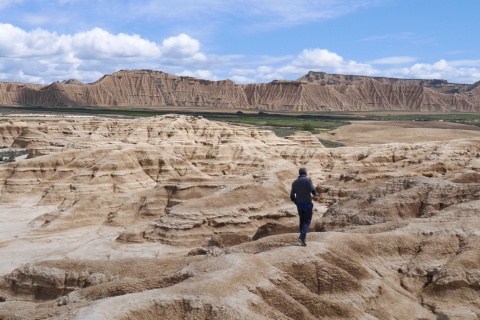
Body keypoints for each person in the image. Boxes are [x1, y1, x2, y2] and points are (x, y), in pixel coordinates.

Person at [290, 167, 318, 246]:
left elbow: (292, 196)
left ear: (299, 174)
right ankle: (302, 237)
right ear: (306, 173)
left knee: (301, 220)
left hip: (299, 205)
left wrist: (297, 202)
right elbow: (313, 190)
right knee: (307, 221)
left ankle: (302, 237)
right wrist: (316, 194)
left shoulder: (294, 182)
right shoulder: (308, 180)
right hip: (307, 204)